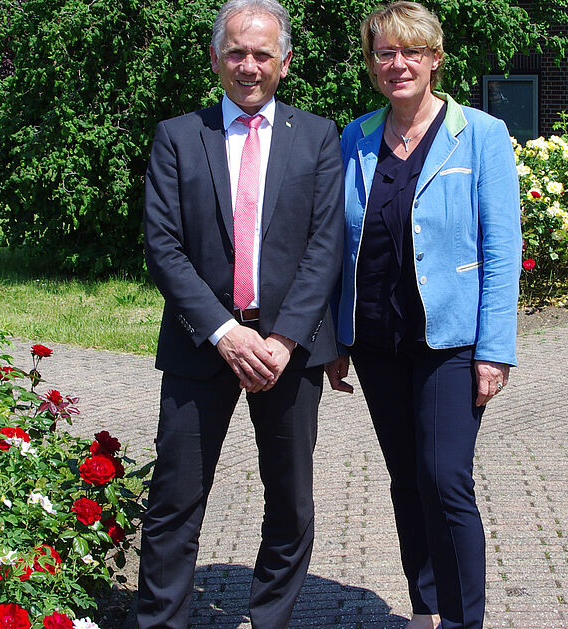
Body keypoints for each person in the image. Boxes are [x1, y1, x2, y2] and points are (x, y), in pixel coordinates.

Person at [137, 0, 343, 625]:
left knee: (290, 501)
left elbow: (325, 244)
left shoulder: (319, 136)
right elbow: (163, 247)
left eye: (261, 54)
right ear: (215, 58)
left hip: (290, 350)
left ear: (284, 62)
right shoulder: (178, 135)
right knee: (174, 499)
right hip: (203, 345)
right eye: (236, 52)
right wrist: (225, 333)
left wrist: (281, 338)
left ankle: (270, 617)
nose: (248, 65)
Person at [325, 2, 521, 628]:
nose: (398, 64)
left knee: (444, 480)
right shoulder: (352, 138)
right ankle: (427, 607)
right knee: (407, 482)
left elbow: (501, 247)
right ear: (371, 63)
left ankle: (465, 620)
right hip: (379, 340)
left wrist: (495, 348)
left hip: (451, 341)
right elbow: (332, 245)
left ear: (436, 58)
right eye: (385, 52)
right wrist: (336, 336)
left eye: (412, 51)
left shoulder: (482, 135)